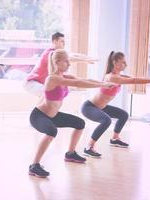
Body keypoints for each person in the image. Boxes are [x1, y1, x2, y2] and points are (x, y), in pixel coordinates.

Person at [28, 49, 115, 178]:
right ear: (57, 62)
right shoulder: (52, 78)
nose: (69, 64)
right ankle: (34, 166)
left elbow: (84, 79)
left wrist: (103, 83)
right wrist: (103, 85)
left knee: (79, 123)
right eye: (66, 61)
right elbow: (78, 83)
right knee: (52, 131)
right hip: (39, 116)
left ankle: (70, 153)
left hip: (53, 115)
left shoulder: (64, 76)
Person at [81, 51, 150, 158]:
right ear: (115, 63)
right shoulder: (112, 77)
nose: (125, 65)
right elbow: (134, 80)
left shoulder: (118, 76)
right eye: (123, 62)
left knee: (123, 115)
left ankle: (115, 139)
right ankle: (89, 147)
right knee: (106, 120)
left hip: (102, 107)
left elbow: (134, 78)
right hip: (89, 107)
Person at [23, 32, 98, 97]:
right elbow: (70, 58)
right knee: (49, 95)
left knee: (55, 94)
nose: (64, 44)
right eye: (62, 41)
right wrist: (85, 61)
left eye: (64, 42)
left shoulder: (58, 53)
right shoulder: (49, 53)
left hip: (40, 83)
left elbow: (74, 55)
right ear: (55, 41)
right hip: (32, 83)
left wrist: (88, 58)